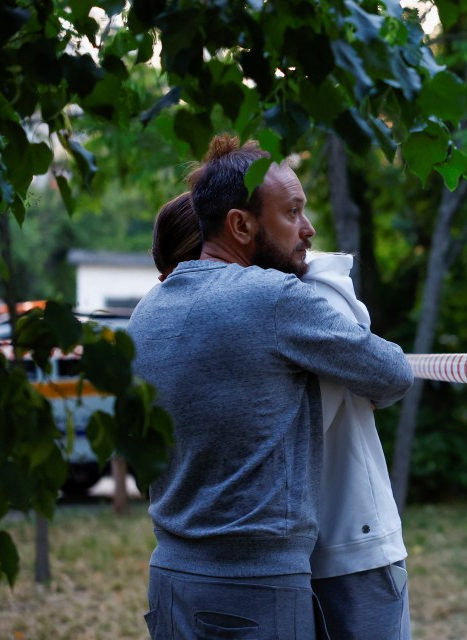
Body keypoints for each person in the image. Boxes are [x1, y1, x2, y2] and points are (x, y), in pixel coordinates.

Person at [129, 134, 415, 640]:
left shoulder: (146, 312)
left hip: (170, 577)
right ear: (240, 224)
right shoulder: (272, 299)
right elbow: (391, 372)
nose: (307, 230)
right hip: (256, 588)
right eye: (292, 213)